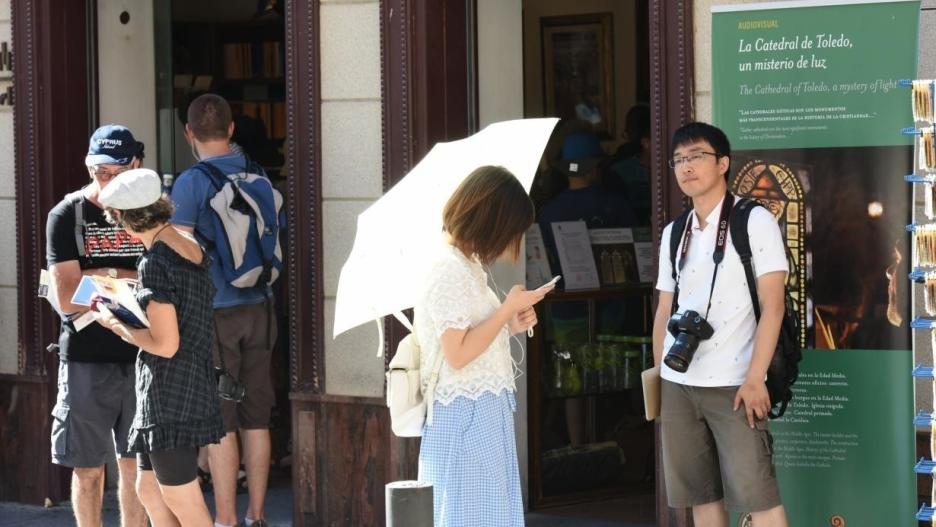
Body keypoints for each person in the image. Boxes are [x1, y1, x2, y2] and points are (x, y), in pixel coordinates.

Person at [653, 122, 789, 527]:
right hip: (680, 381)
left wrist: (755, 378)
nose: (686, 166)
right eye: (678, 159)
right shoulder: (674, 232)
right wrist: (660, 372)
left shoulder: (754, 220)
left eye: (697, 156)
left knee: (758, 497)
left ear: (723, 163)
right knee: (700, 497)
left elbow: (774, 306)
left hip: (736, 382)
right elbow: (664, 308)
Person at [415, 165, 551, 526]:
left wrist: (508, 324)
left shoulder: (465, 265)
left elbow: (468, 342)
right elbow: (457, 355)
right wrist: (507, 308)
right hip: (466, 414)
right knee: (473, 517)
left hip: (479, 412)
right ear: (492, 221)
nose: (512, 240)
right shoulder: (448, 268)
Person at [170, 93, 278, 527]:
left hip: (216, 313)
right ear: (232, 130)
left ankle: (226, 520)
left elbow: (179, 252)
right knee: (257, 417)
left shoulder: (190, 182)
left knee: (221, 420)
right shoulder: (258, 174)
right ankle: (257, 516)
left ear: (188, 133)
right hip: (262, 309)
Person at [95, 168, 225, 527]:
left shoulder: (155, 263)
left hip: (170, 390)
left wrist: (117, 324)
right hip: (190, 381)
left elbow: (165, 345)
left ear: (122, 218)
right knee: (149, 490)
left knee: (187, 505)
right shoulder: (187, 243)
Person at [45, 124, 147, 527]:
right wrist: (125, 274)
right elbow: (68, 294)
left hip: (144, 351)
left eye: (115, 172)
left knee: (137, 468)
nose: (104, 180)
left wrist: (99, 274)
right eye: (97, 171)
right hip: (86, 356)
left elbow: (165, 281)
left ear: (136, 164)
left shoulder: (152, 211)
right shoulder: (67, 214)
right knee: (87, 470)